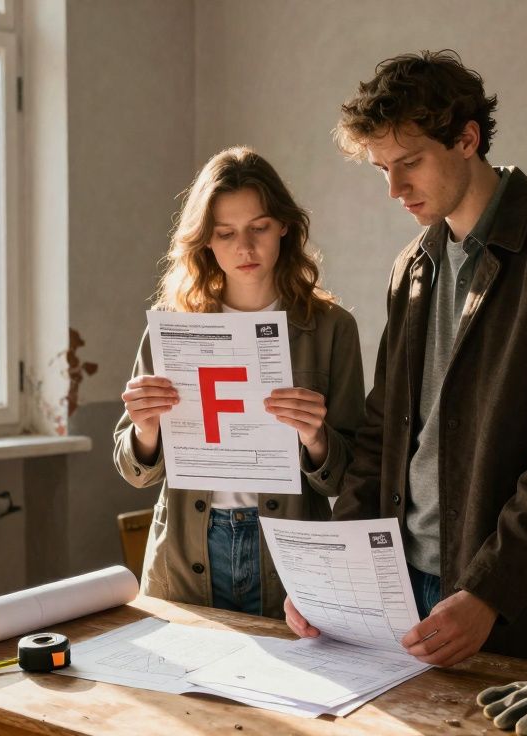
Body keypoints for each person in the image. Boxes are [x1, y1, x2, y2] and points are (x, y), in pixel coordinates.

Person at [284, 50, 527, 666]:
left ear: (467, 139)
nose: (394, 189)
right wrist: (333, 575)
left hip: (512, 602)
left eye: (410, 162)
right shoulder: (412, 266)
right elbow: (382, 434)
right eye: (381, 169)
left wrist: (488, 592)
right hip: (402, 587)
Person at [113, 146, 365, 619]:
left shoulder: (332, 328)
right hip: (186, 551)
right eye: (226, 233)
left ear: (285, 225)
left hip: (290, 553)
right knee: (189, 668)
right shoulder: (172, 326)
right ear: (205, 240)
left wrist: (315, 438)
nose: (244, 249)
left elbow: (352, 475)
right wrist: (146, 430)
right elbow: (135, 471)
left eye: (259, 228)